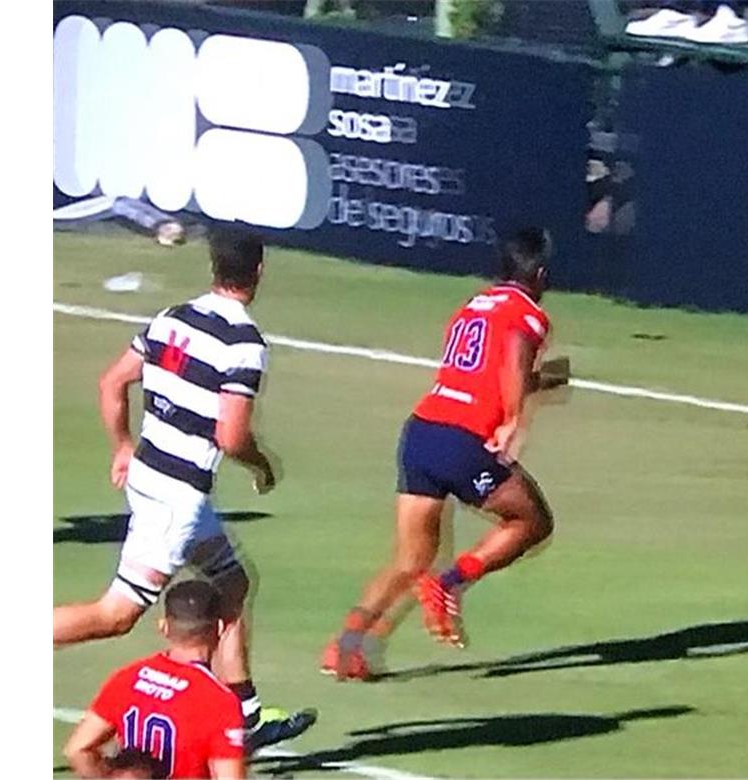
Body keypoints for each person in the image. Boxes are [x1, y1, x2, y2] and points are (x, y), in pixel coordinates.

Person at [52, 229, 315, 750]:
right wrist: (263, 466)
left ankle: (245, 718)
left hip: (151, 477)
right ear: (258, 272)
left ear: (214, 267)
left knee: (232, 584)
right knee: (117, 615)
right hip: (179, 501)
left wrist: (122, 444)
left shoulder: (171, 317)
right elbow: (232, 435)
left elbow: (112, 382)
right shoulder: (243, 343)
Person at [322, 228, 558, 680]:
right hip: (463, 439)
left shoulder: (472, 306)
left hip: (423, 431)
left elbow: (488, 369)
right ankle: (450, 584)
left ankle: (345, 647)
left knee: (409, 558)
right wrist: (514, 419)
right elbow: (513, 353)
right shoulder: (528, 313)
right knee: (532, 520)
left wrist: (543, 381)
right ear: (540, 274)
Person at [63, 581, 245, 779]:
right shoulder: (220, 702)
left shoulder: (128, 678)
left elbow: (77, 750)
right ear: (219, 628)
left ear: (164, 627)